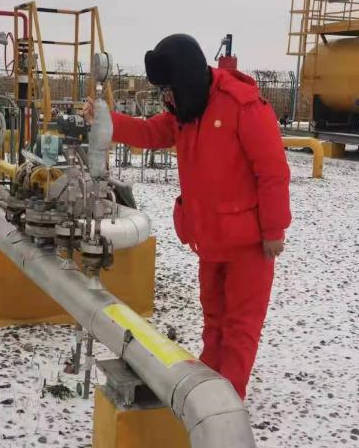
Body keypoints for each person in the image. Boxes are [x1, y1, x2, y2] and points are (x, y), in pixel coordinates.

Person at [84, 34, 291, 399]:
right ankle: (209, 390)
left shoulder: (243, 107)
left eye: (169, 89)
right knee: (214, 321)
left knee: (240, 328)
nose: (166, 98)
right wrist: (107, 120)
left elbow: (272, 172)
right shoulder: (186, 112)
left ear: (187, 81)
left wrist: (274, 230)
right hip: (210, 238)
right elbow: (151, 132)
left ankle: (225, 405)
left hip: (249, 245)